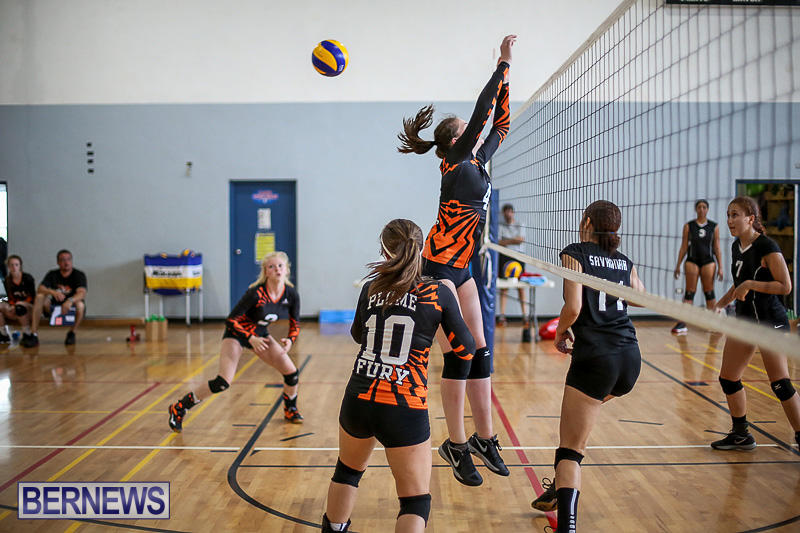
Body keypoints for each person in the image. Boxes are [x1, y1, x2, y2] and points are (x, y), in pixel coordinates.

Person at [397, 34, 516, 485]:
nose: (474, 131)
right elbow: (484, 110)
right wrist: (501, 64)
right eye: (465, 129)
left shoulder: (479, 161)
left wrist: (508, 79)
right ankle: (456, 444)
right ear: (454, 139)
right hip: (438, 268)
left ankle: (486, 438)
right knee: (460, 353)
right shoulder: (454, 162)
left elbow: (500, 123)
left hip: (462, 268)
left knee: (481, 350)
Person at [322, 219, 475, 533]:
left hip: (359, 396)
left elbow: (357, 335)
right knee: (415, 502)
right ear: (421, 249)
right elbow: (467, 349)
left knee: (347, 473)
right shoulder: (437, 292)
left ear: (383, 250)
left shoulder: (371, 287)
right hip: (404, 404)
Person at [530, 201, 645, 533]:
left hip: (596, 360)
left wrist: (561, 332)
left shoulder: (575, 253)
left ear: (588, 223)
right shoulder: (623, 261)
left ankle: (566, 524)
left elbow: (574, 307)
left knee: (570, 450)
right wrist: (614, 278)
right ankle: (560, 487)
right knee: (577, 429)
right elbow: (640, 297)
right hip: (630, 361)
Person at [168, 251, 303, 432]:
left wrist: (290, 340)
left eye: (280, 266)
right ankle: (179, 407)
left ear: (287, 269)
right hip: (238, 334)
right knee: (222, 382)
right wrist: (250, 338)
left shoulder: (291, 294)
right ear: (266, 271)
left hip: (260, 335)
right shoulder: (256, 293)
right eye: (272, 266)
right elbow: (231, 320)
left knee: (291, 373)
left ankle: (290, 410)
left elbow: (295, 323)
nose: (277, 269)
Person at [709, 196, 800, 451]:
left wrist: (751, 284)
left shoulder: (767, 246)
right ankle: (741, 434)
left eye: (735, 215)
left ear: (751, 218)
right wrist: (719, 306)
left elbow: (785, 286)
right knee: (728, 378)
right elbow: (738, 286)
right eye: (728, 215)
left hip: (770, 322)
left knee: (780, 384)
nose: (730, 220)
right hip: (745, 320)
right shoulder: (736, 246)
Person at [671, 199, 723, 334]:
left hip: (708, 261)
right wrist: (678, 265)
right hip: (692, 261)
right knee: (689, 292)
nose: (701, 209)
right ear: (696, 209)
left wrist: (721, 267)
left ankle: (714, 323)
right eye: (699, 207)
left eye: (704, 207)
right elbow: (683, 247)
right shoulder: (689, 226)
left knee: (709, 292)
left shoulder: (714, 226)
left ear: (707, 209)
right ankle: (682, 323)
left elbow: (717, 247)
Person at [24, 249, 87, 347]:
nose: (66, 262)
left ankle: (72, 333)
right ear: (58, 262)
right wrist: (53, 292)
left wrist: (70, 301)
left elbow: (82, 293)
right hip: (54, 306)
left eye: (68, 259)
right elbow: (40, 288)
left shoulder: (78, 274)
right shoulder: (52, 274)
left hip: (71, 307)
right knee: (40, 297)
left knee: (80, 305)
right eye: (63, 260)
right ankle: (34, 334)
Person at [497, 203, 528, 327]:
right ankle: (502, 317)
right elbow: (498, 242)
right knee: (504, 287)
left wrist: (506, 241)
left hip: (518, 257)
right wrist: (513, 240)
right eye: (506, 212)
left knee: (520, 286)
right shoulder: (500, 226)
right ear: (503, 213)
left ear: (513, 213)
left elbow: (520, 240)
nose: (508, 214)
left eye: (510, 211)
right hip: (505, 257)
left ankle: (525, 316)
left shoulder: (520, 224)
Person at [0, 255, 36, 344]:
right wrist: (11, 306)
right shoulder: (7, 280)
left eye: (16, 265)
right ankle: (3, 334)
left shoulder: (27, 278)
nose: (14, 267)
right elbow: (9, 297)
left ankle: (27, 334)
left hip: (28, 306)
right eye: (11, 265)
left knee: (19, 307)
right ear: (8, 267)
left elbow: (32, 297)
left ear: (20, 266)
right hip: (14, 307)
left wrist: (19, 303)